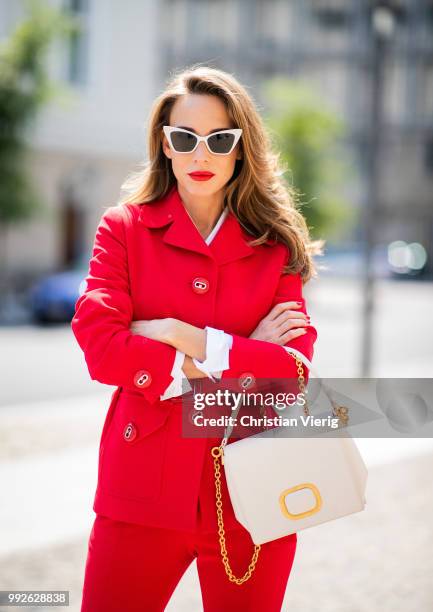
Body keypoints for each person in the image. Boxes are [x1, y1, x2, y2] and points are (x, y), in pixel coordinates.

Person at [71, 65, 322, 612]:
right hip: (140, 491)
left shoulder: (275, 246)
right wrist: (241, 349)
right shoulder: (124, 229)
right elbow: (99, 342)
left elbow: (292, 375)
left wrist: (179, 336)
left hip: (253, 498)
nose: (200, 155)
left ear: (240, 147)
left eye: (219, 139)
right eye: (184, 139)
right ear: (165, 145)